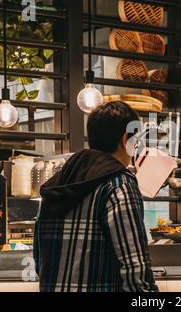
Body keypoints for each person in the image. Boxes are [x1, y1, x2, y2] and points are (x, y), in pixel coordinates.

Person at [33, 101, 158, 292]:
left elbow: (39, 261)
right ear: (126, 140)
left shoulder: (56, 184)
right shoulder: (120, 184)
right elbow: (136, 269)